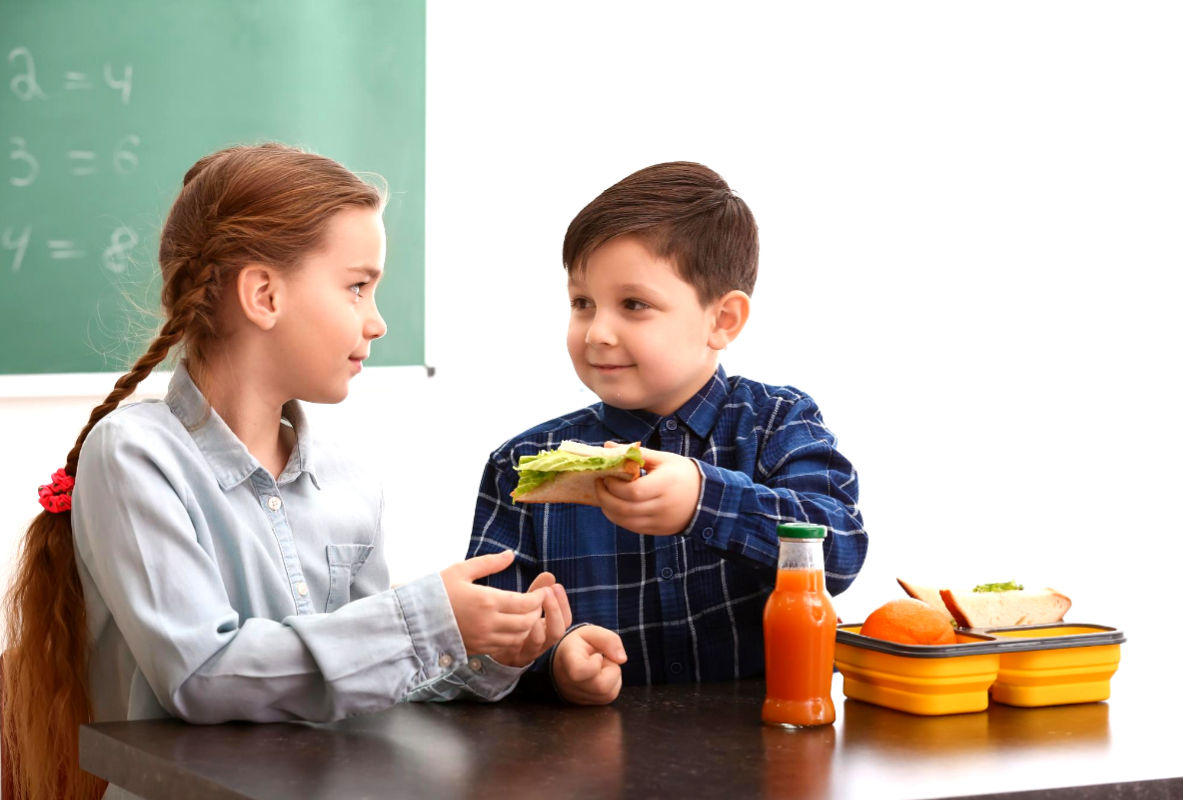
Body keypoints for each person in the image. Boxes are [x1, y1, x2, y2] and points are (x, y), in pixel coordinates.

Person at [2, 144, 569, 800]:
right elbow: (202, 676)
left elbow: (364, 672)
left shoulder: (349, 477)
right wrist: (428, 622)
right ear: (264, 295)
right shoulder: (133, 457)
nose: (378, 321)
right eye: (357, 286)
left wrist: (485, 651)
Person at [468, 161, 867, 703]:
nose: (598, 333)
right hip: (592, 766)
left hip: (763, 756)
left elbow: (840, 551)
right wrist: (556, 657)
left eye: (634, 305)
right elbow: (486, 645)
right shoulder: (523, 461)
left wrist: (706, 501)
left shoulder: (777, 420)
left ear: (722, 320)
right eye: (583, 303)